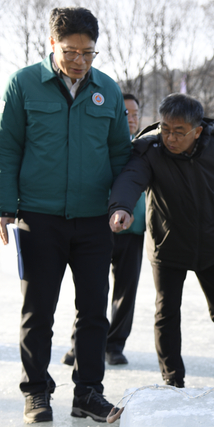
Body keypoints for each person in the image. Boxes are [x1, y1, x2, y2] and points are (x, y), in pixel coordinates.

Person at [0, 7, 131, 423]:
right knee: (38, 311)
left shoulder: (108, 89)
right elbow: (7, 148)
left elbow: (122, 155)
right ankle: (36, 393)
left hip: (94, 221)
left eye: (89, 53)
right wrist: (4, 208)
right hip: (39, 217)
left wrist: (122, 204)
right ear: (52, 44)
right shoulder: (24, 85)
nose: (80, 62)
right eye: (71, 51)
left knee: (92, 311)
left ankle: (88, 393)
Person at [108, 93, 214, 388]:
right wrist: (120, 206)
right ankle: (173, 379)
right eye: (166, 128)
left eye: (179, 132)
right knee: (167, 312)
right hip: (166, 245)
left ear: (197, 131)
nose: (170, 137)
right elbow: (131, 177)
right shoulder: (150, 149)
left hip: (212, 245)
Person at [62, 93, 146, 366]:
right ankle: (80, 344)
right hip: (96, 226)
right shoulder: (97, 143)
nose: (131, 119)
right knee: (91, 290)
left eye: (135, 114)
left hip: (132, 231)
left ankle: (114, 344)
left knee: (126, 289)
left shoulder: (145, 149)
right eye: (125, 114)